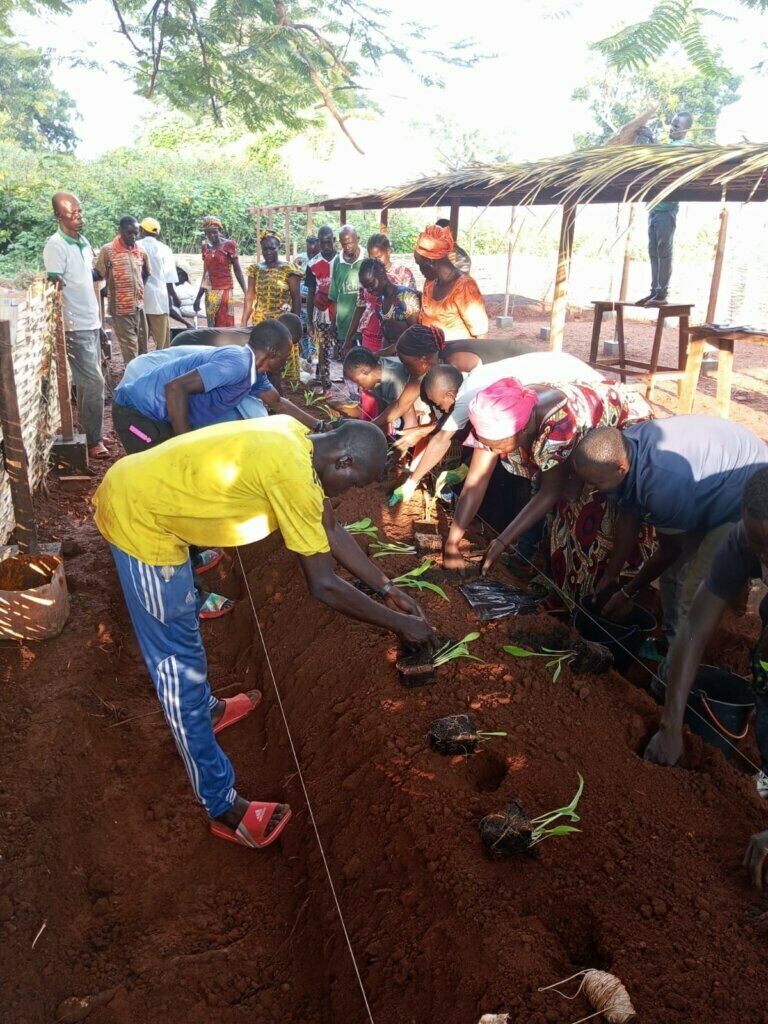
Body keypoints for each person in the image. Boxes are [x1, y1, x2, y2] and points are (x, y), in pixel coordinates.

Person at [93, 417, 435, 849]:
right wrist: (402, 625)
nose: (348, 493)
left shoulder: (297, 438)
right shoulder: (293, 477)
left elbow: (328, 527)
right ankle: (221, 805)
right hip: (139, 519)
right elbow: (323, 585)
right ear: (345, 460)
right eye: (353, 483)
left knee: (186, 633)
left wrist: (389, 590)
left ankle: (207, 711)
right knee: (176, 667)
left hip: (155, 502)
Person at [448, 377, 653, 594]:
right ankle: (541, 566)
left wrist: (501, 542)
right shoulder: (496, 418)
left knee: (588, 512)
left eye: (498, 447)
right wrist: (452, 543)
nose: (494, 452)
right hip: (574, 429)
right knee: (556, 497)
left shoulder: (556, 427)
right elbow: (476, 481)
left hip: (616, 431)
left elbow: (550, 493)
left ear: (522, 430)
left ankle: (591, 588)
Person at [572, 418, 768, 641]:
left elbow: (670, 551)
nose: (591, 488)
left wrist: (628, 592)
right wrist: (611, 574)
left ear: (621, 469)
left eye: (596, 483)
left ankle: (678, 649)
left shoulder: (661, 489)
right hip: (710, 475)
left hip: (743, 491)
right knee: (677, 574)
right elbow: (629, 511)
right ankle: (688, 630)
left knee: (689, 583)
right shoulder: (624, 444)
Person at [643, 468, 768, 802]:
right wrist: (670, 726)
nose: (765, 559)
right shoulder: (741, 540)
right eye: (758, 547)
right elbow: (694, 630)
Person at [391, 352, 603, 503]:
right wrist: (464, 468)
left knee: (572, 475)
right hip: (564, 372)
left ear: (450, 395)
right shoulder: (474, 387)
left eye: (439, 404)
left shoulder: (468, 398)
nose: (441, 409)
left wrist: (412, 482)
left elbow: (441, 440)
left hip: (585, 390)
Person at [111, 319, 320, 454]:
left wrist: (319, 425)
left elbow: (278, 403)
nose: (287, 361)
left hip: (161, 416)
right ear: (272, 353)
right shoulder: (237, 364)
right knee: (154, 470)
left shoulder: (255, 373)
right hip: (134, 414)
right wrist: (186, 445)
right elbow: (175, 388)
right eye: (286, 355)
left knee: (174, 467)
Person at [43, 192, 109, 460]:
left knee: (88, 382)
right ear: (58, 216)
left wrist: (99, 323)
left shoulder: (82, 241)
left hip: (90, 320)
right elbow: (54, 287)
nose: (79, 217)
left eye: (80, 211)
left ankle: (91, 433)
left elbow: (86, 279)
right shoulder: (55, 246)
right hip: (73, 325)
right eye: (73, 213)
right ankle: (93, 441)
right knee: (92, 382)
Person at [636, 112, 693, 307]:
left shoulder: (685, 146)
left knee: (664, 250)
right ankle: (654, 291)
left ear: (686, 129)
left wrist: (652, 139)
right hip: (654, 208)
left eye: (677, 126)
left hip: (667, 209)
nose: (672, 128)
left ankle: (662, 293)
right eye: (672, 124)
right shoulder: (668, 144)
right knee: (653, 251)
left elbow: (665, 157)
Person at [415, 225, 488, 340]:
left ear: (430, 262)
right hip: (430, 350)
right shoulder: (430, 284)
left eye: (420, 265)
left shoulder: (465, 286)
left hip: (458, 350)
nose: (420, 270)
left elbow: (481, 334)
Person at [94, 216, 150, 365]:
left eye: (135, 233)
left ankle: (142, 374)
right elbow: (99, 273)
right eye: (128, 233)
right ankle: (133, 377)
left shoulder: (140, 251)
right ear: (119, 230)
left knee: (143, 346)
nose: (132, 236)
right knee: (130, 349)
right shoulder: (108, 250)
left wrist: (139, 289)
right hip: (120, 309)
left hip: (138, 307)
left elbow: (146, 273)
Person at [343, 257, 421, 356]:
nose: (369, 290)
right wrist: (383, 358)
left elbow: (415, 333)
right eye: (366, 287)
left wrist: (383, 353)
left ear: (382, 275)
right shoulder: (380, 302)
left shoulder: (406, 297)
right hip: (394, 359)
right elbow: (386, 337)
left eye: (371, 284)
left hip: (411, 357)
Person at [342, 348, 420, 428]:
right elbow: (383, 412)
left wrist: (369, 427)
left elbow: (411, 422)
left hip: (418, 411)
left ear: (364, 371)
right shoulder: (377, 370)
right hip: (403, 408)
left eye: (357, 381)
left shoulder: (394, 380)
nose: (358, 386)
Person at [137, 217, 182, 351]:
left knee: (141, 338)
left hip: (140, 298)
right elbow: (169, 278)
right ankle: (162, 360)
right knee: (162, 341)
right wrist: (174, 297)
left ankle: (141, 360)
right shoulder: (165, 249)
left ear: (142, 230)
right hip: (159, 299)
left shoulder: (135, 246)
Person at [242, 231, 302, 331]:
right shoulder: (255, 270)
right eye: (265, 249)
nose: (268, 252)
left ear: (279, 248)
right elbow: (249, 298)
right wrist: (244, 321)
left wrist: (294, 325)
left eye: (272, 248)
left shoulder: (289, 269)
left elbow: (296, 299)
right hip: (260, 322)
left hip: (283, 323)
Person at [194, 216, 246, 328]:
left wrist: (246, 292)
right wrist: (198, 297)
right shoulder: (205, 246)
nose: (212, 235)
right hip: (210, 292)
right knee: (212, 325)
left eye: (214, 232)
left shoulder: (229, 245)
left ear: (220, 231)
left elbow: (237, 270)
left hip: (225, 291)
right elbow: (206, 274)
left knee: (225, 324)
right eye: (208, 233)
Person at [306, 226, 337, 389]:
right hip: (322, 311)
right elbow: (311, 293)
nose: (326, 246)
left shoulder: (342, 261)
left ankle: (351, 383)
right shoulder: (312, 264)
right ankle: (325, 381)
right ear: (318, 242)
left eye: (329, 242)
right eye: (323, 243)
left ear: (334, 241)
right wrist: (309, 321)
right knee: (323, 346)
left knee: (343, 345)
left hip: (342, 311)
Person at [329, 225, 364, 359]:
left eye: (350, 242)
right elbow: (335, 296)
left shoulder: (366, 258)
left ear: (357, 239)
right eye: (344, 244)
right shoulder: (338, 261)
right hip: (344, 327)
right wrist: (333, 324)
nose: (348, 247)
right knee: (348, 364)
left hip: (364, 326)